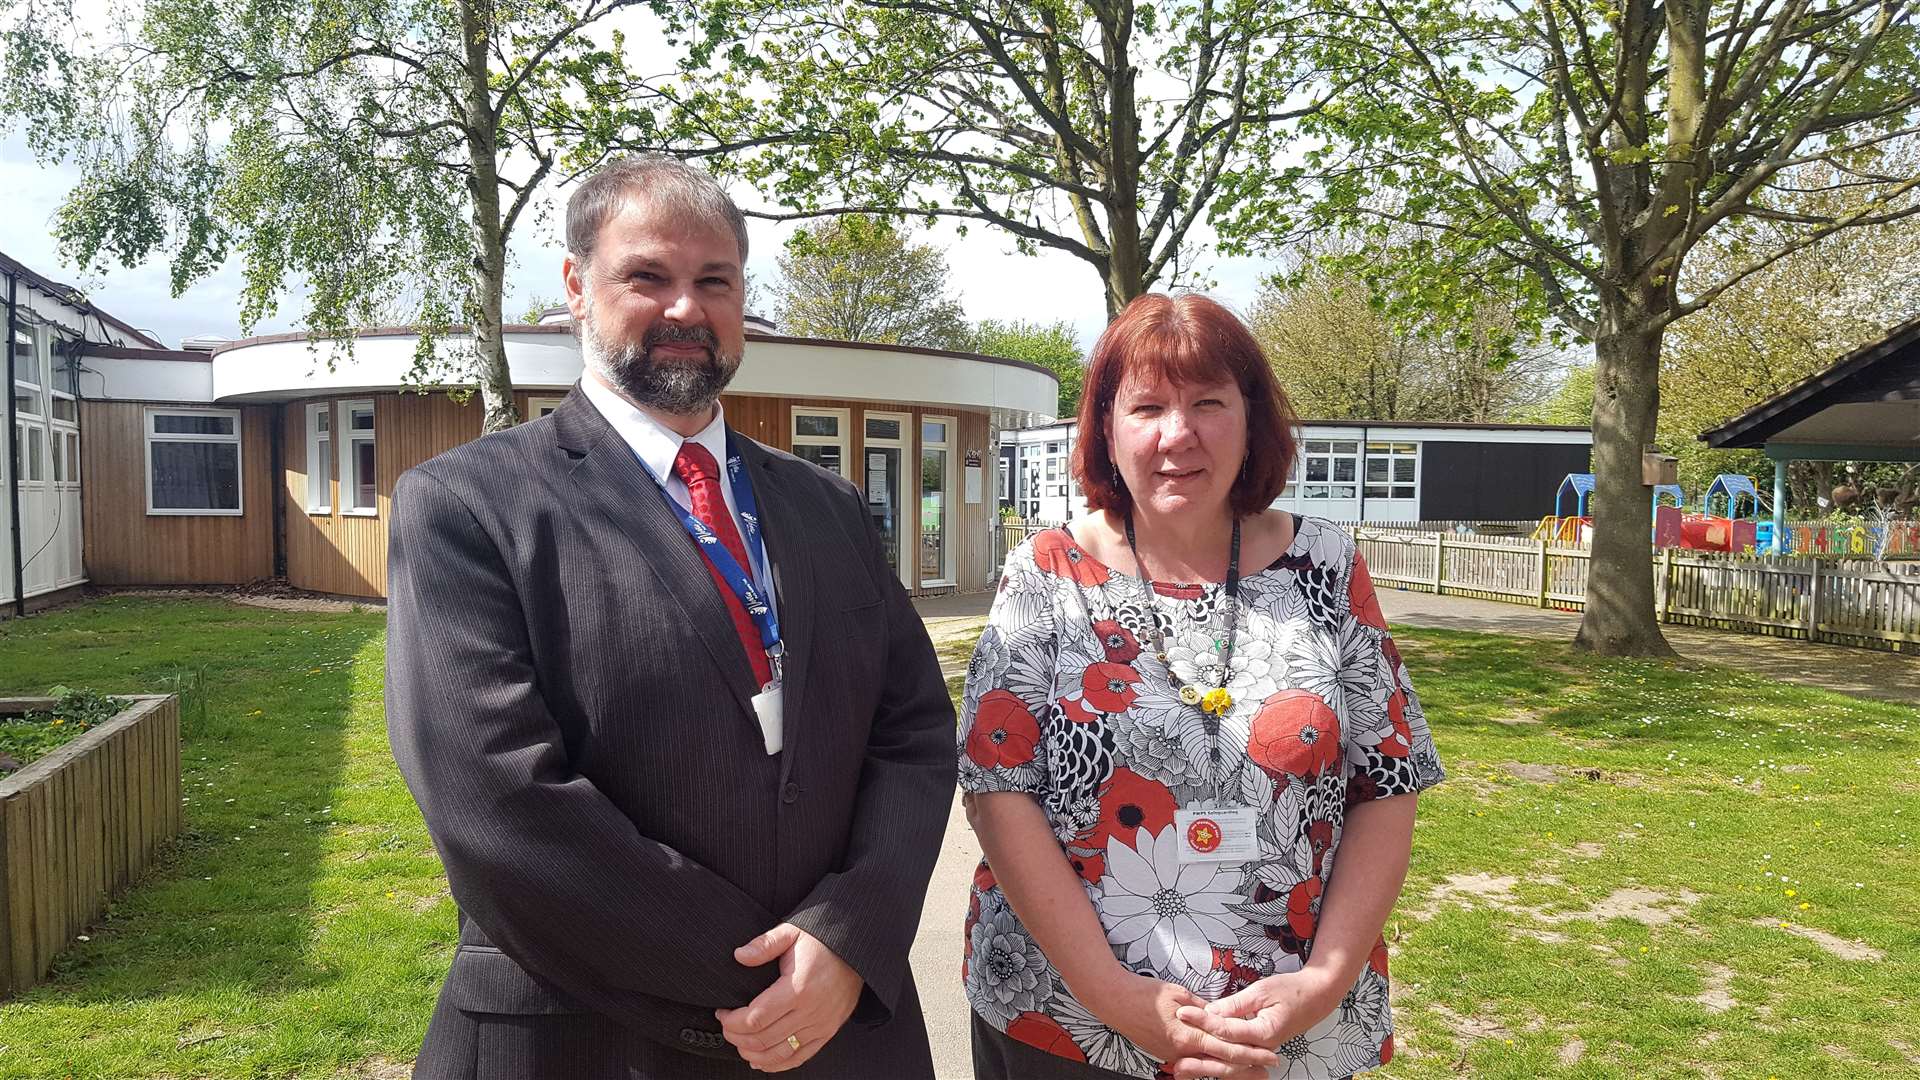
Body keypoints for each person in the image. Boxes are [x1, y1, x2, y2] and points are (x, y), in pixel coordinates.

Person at [386, 153, 955, 1080]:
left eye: (714, 281)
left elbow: (914, 734)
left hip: (843, 1035)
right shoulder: (467, 506)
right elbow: (498, 799)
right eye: (647, 277)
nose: (686, 309)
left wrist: (846, 940)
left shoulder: (831, 508)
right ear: (576, 287)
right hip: (591, 1035)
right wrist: (757, 977)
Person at [957, 293, 1444, 1080]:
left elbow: (1387, 781)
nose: (1177, 434)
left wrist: (1322, 983)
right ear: (1105, 431)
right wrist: (1115, 998)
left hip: (1283, 1028)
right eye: (1147, 406)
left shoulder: (1326, 564)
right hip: (1068, 1020)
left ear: (1251, 422)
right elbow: (995, 790)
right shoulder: (1046, 574)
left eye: (1208, 403)